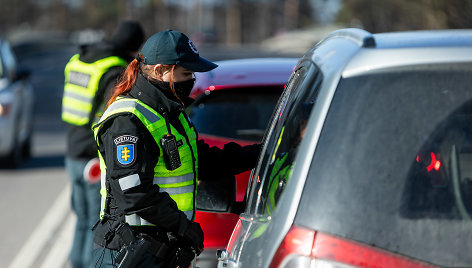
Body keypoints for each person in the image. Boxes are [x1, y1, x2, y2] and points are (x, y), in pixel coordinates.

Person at [91, 29, 261, 267]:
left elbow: (204, 161)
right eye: (187, 73)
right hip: (134, 251)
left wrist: (261, 154)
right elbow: (134, 194)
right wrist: (184, 227)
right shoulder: (127, 121)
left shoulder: (168, 112)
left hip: (164, 246)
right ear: (161, 71)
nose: (192, 81)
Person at [61, 21, 145, 268]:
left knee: (81, 216)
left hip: (72, 149)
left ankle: (76, 262)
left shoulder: (80, 58)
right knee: (94, 220)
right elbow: (115, 113)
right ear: (134, 47)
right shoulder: (114, 68)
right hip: (92, 156)